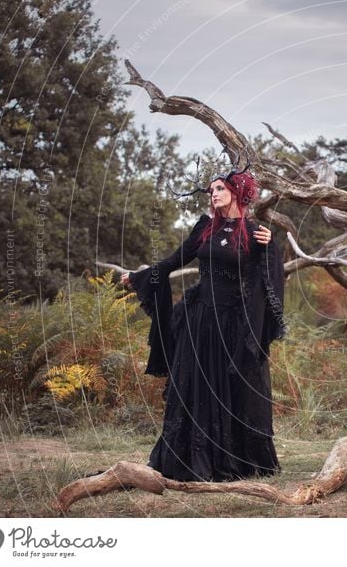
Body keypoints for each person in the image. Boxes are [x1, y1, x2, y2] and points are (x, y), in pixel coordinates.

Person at [121, 169, 286, 482]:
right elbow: (173, 261)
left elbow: (270, 278)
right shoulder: (205, 229)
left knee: (235, 389)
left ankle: (238, 460)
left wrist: (270, 247)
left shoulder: (256, 233)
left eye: (220, 188)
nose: (214, 194)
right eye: (211, 190)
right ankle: (190, 459)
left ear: (237, 193)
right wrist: (140, 276)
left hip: (235, 327)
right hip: (200, 322)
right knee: (195, 388)